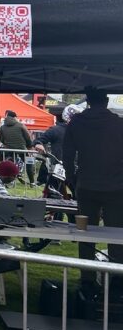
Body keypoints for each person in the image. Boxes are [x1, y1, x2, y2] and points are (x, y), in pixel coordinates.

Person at [62, 89, 123, 292]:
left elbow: (67, 154)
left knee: (86, 232)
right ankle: (117, 276)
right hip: (116, 186)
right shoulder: (119, 123)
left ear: (88, 101)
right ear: (105, 101)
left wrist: (71, 178)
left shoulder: (76, 123)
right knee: (116, 233)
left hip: (86, 184)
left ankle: (87, 278)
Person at [0, 109, 34, 183]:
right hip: (21, 149)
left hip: (8, 150)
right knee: (29, 163)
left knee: (8, 164)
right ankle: (32, 182)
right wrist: (29, 146)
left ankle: (7, 180)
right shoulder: (21, 125)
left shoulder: (2, 127)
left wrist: (8, 143)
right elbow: (27, 137)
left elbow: (1, 139)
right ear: (14, 117)